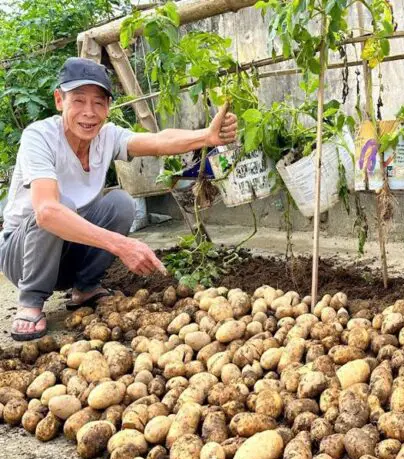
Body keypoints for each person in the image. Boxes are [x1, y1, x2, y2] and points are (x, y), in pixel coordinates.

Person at [0, 56, 238, 340]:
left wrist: (206, 136)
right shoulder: (39, 136)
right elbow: (47, 212)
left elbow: (159, 141)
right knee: (56, 207)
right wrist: (122, 245)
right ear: (59, 100)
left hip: (67, 256)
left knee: (121, 203)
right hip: (22, 256)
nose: (89, 112)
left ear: (108, 107)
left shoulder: (106, 136)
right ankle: (31, 301)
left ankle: (85, 288)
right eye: (78, 100)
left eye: (99, 102)